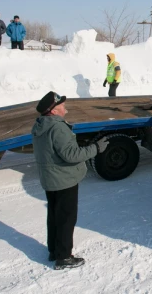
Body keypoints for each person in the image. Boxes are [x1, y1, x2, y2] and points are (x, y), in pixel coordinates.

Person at [31, 91, 109, 270]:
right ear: (53, 111)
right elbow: (72, 155)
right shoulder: (57, 127)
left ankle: (54, 250)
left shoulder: (40, 125)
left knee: (54, 215)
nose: (65, 108)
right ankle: (64, 257)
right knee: (66, 218)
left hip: (50, 179)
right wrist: (96, 148)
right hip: (64, 179)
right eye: (62, 106)